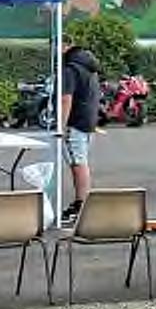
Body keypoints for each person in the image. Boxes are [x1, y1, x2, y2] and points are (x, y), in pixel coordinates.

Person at [56, 41, 102, 221]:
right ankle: (81, 203)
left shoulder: (70, 69)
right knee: (80, 161)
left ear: (65, 45)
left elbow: (66, 99)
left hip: (75, 121)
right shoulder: (88, 64)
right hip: (88, 119)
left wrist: (61, 126)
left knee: (78, 163)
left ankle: (81, 205)